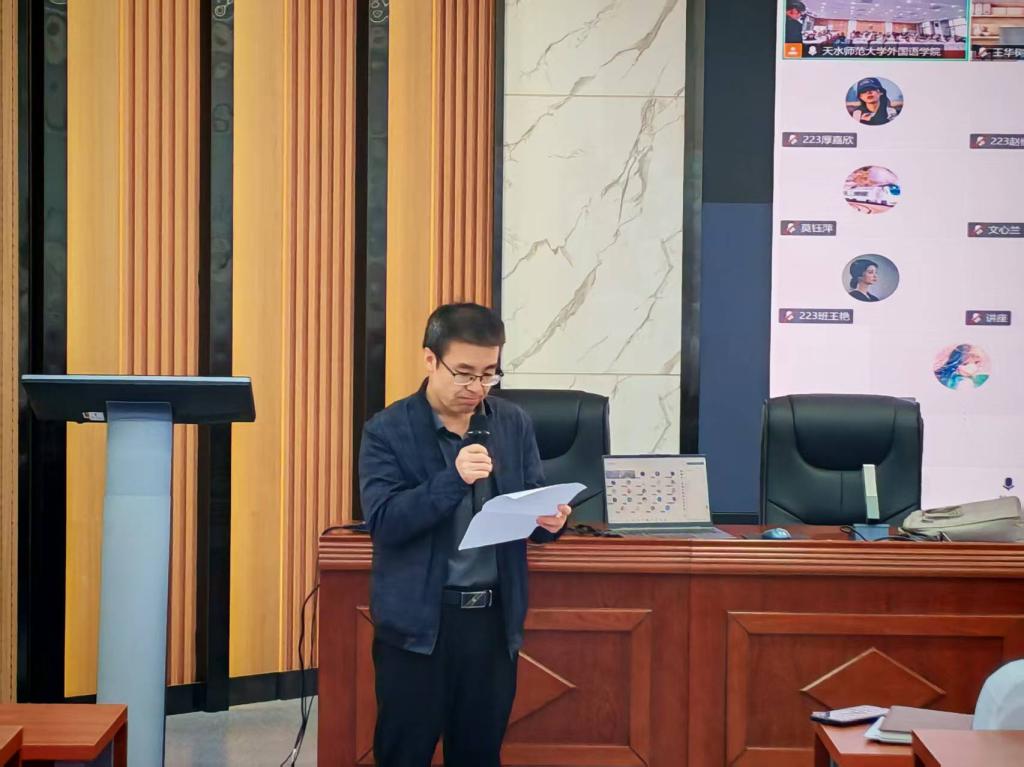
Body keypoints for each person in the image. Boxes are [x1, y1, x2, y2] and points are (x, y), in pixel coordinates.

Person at [359, 302, 572, 767]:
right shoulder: (387, 431)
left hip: (492, 625)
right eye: (464, 374)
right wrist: (453, 479)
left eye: (489, 374)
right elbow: (385, 522)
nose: (476, 387)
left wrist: (550, 523)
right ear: (430, 359)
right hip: (418, 627)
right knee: (404, 754)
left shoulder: (511, 422)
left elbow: (530, 498)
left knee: (479, 754)